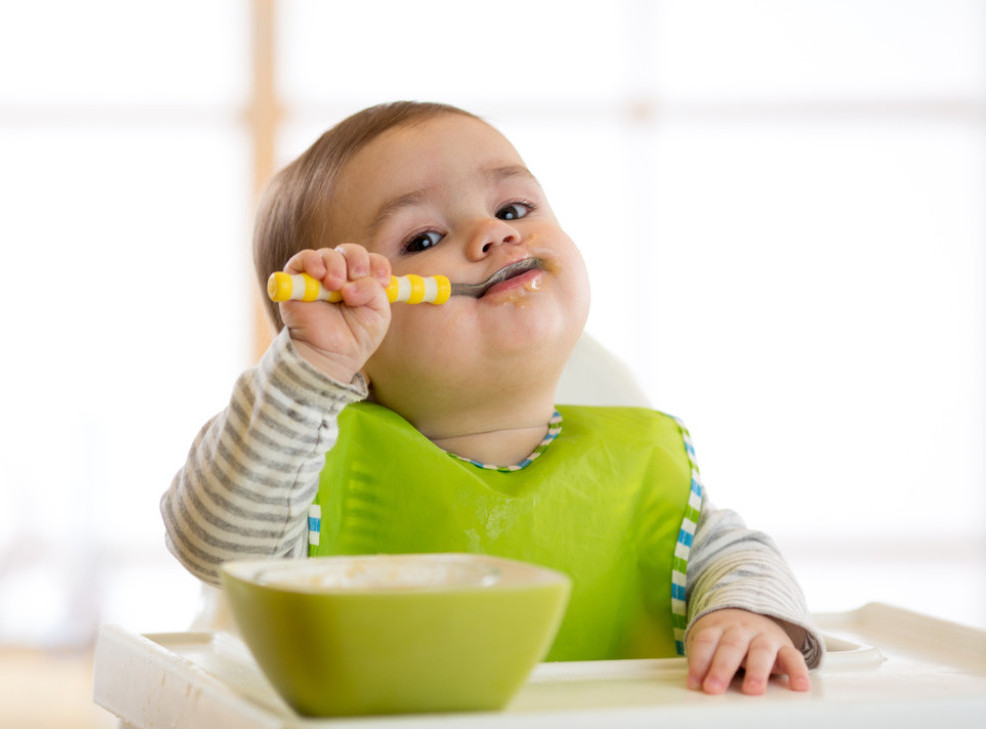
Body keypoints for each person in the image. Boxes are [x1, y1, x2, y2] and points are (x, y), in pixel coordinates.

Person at [161, 101, 823, 696]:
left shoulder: (643, 472)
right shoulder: (307, 484)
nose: (492, 232)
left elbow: (744, 559)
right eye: (422, 239)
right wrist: (311, 368)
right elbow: (216, 549)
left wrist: (745, 618)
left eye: (513, 210)